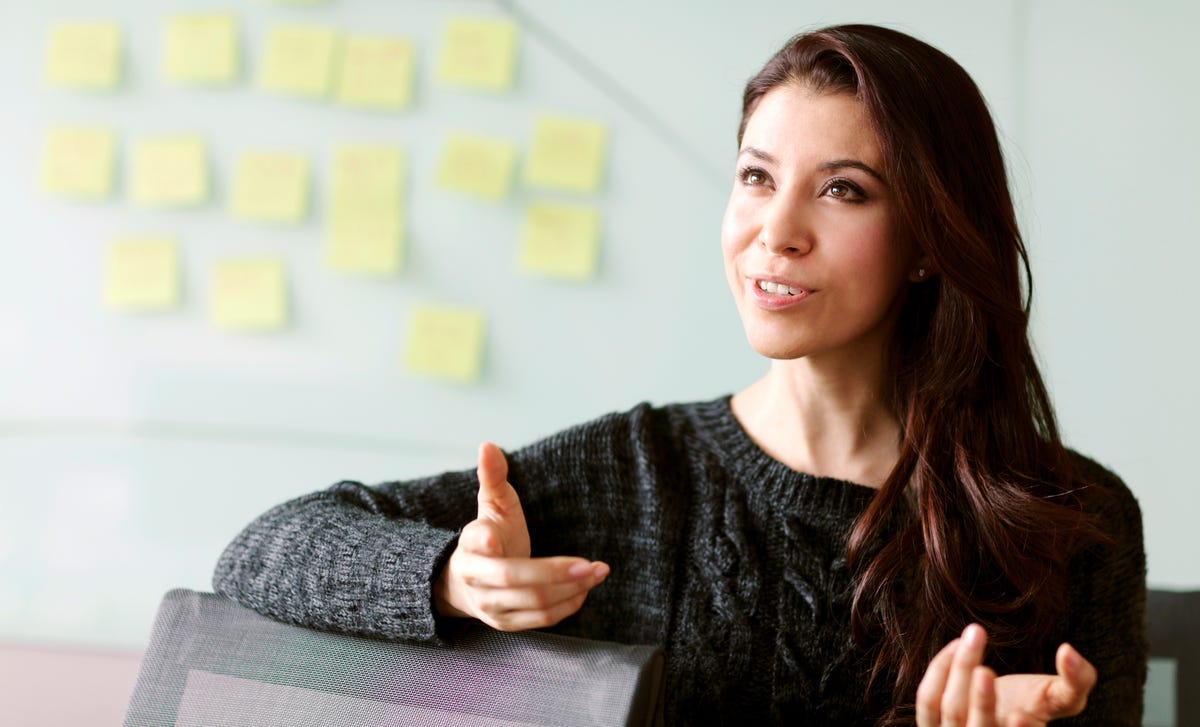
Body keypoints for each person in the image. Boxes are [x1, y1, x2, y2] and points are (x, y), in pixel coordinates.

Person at [213, 23, 1146, 726]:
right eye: (755, 176)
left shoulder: (1077, 517)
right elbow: (261, 547)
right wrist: (452, 579)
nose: (775, 229)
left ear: (928, 243)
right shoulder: (635, 476)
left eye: (843, 188)